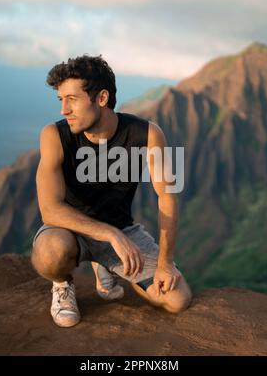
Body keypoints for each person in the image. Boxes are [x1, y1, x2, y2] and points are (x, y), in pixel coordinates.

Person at [31, 54, 192, 328]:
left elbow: (167, 196)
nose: (64, 110)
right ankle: (62, 285)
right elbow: (50, 209)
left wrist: (165, 262)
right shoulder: (53, 136)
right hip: (70, 231)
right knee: (50, 253)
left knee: (177, 299)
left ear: (101, 98)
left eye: (72, 99)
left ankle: (104, 263)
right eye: (61, 100)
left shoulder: (149, 134)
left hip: (122, 232)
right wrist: (109, 233)